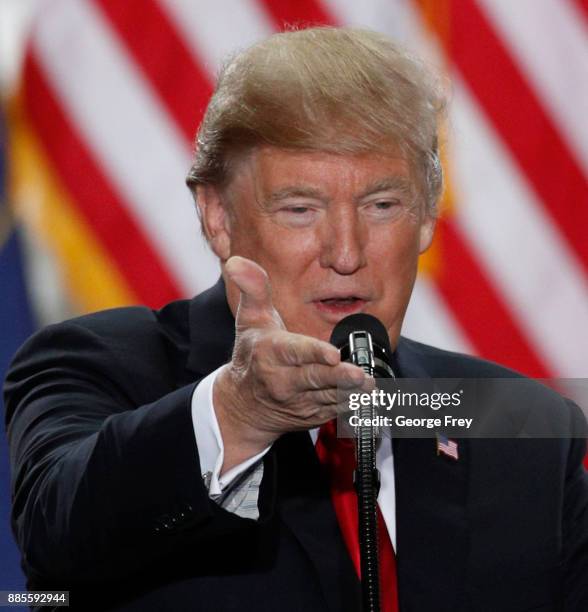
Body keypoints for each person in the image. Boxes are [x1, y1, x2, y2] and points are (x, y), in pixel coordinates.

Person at [4, 27, 587, 612]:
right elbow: (56, 538)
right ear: (217, 217)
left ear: (428, 215)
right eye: (300, 209)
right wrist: (238, 414)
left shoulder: (519, 422)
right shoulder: (99, 365)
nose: (345, 252)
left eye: (382, 205)